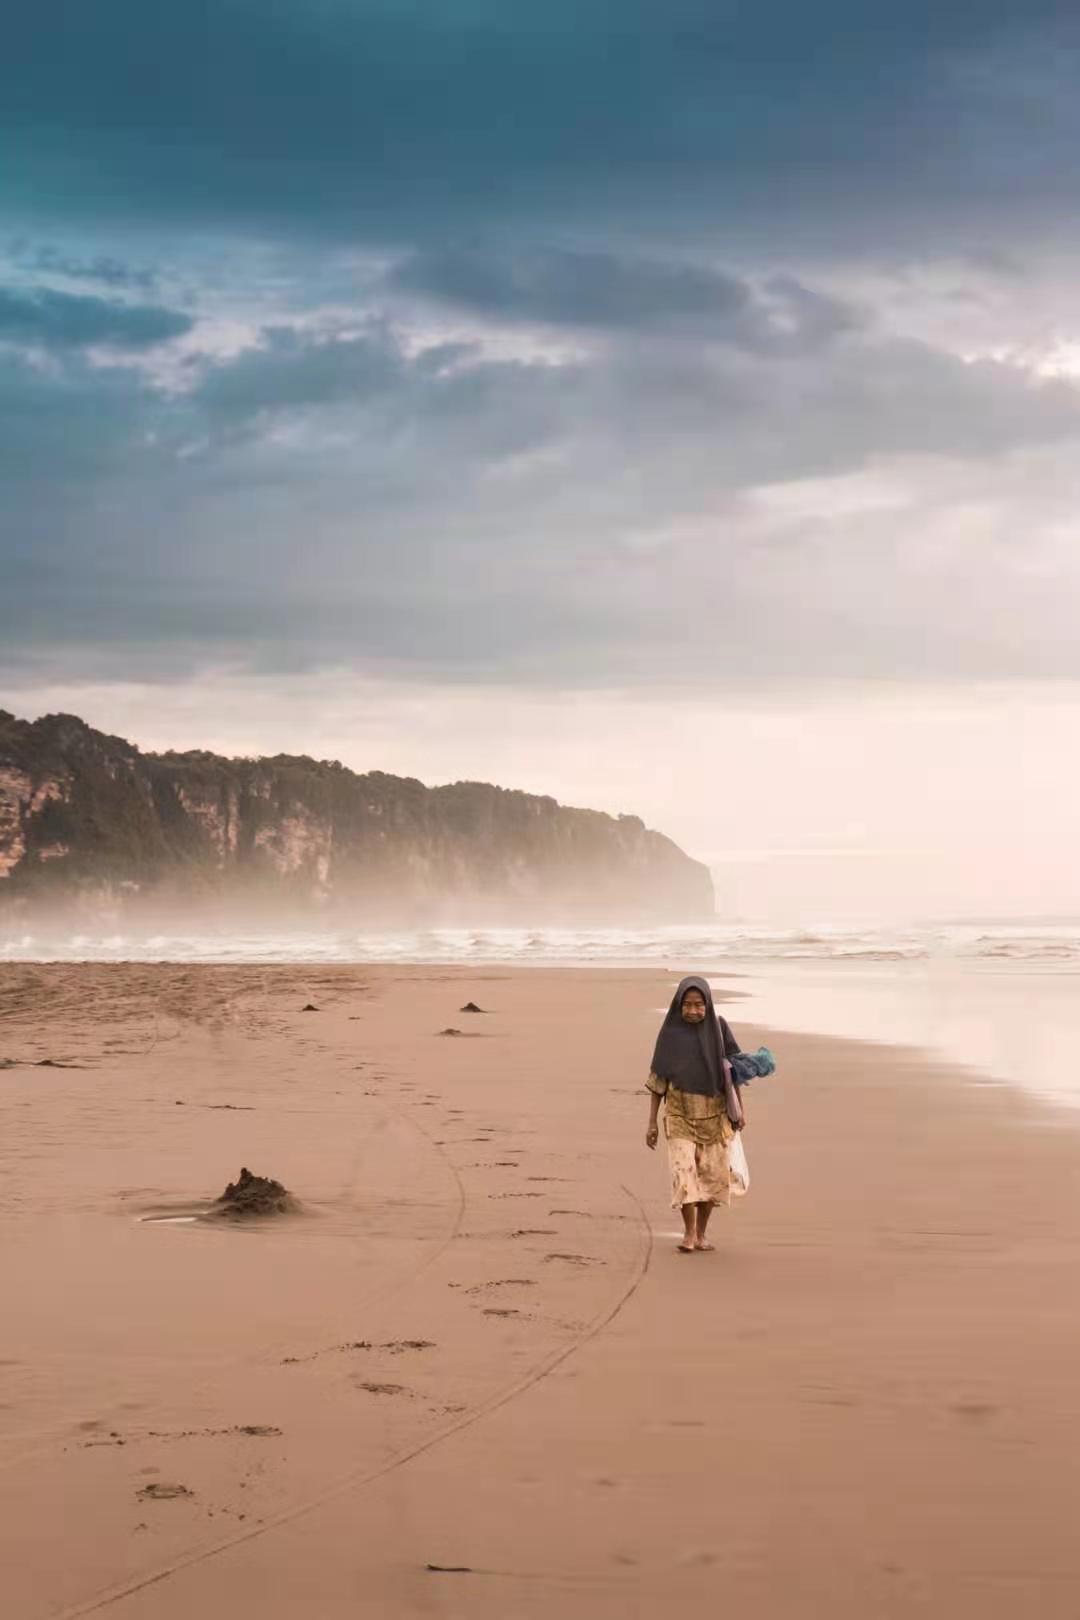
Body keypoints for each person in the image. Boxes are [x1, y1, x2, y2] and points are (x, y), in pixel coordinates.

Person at [645, 975, 746, 1253]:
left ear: (708, 1004)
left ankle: (701, 1234)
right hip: (679, 1115)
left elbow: (732, 1072)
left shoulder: (719, 1029)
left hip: (715, 1116)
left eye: (699, 1004)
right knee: (684, 1174)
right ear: (678, 1005)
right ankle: (689, 1234)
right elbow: (658, 1081)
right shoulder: (670, 1034)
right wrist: (652, 1122)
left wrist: (740, 1108)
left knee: (712, 1178)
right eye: (687, 1005)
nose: (692, 1010)